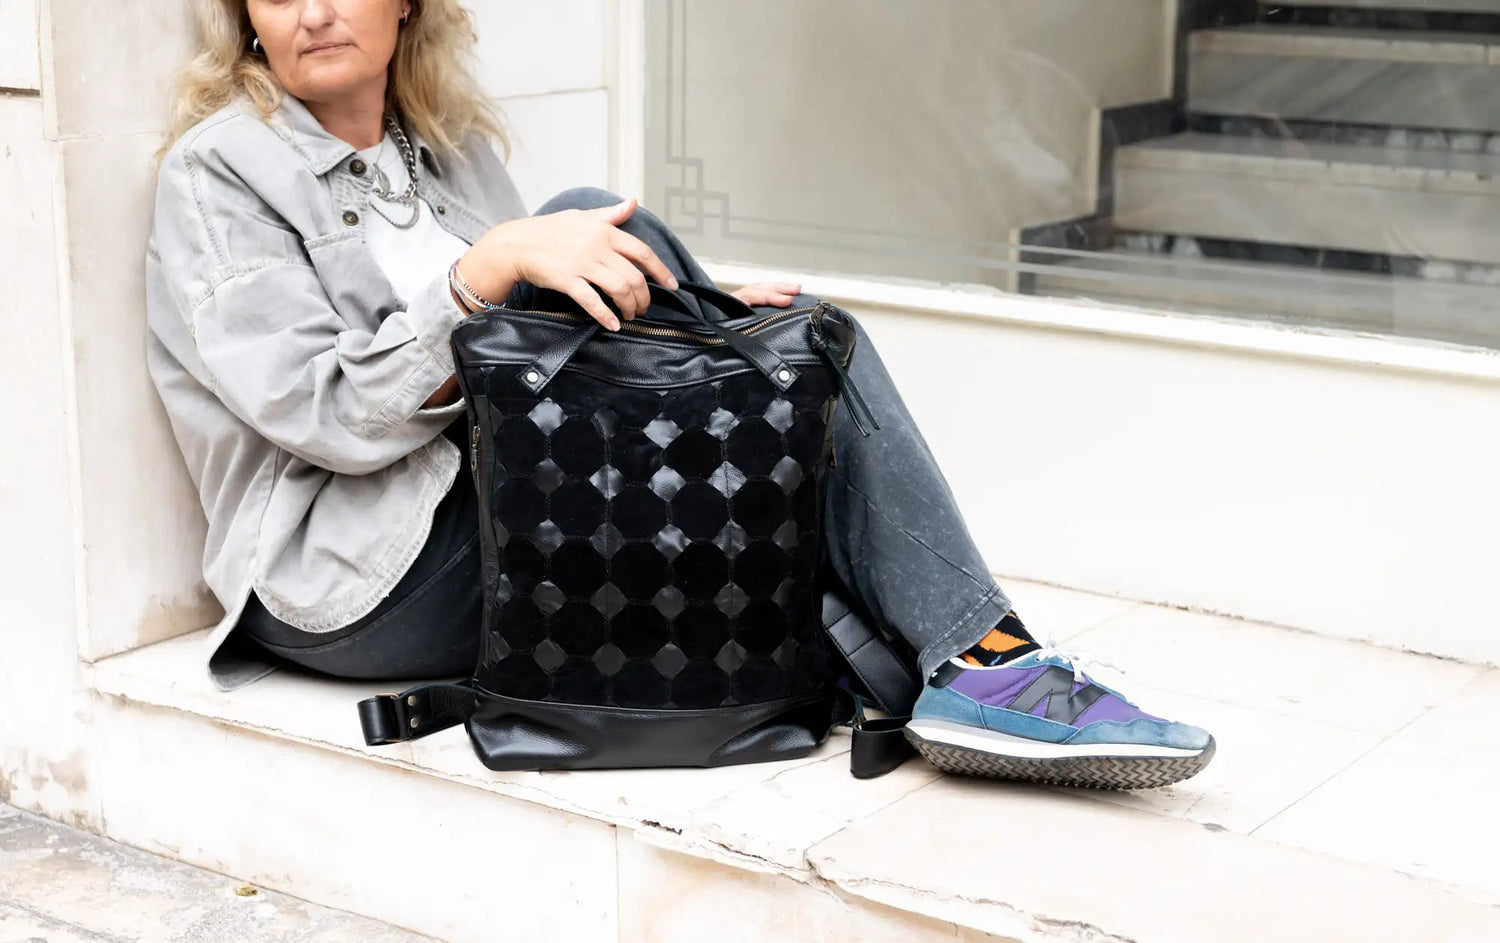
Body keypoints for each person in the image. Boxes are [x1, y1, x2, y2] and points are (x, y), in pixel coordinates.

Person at [145, 0, 1215, 789]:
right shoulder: (220, 175)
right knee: (620, 251)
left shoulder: (450, 153)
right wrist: (490, 269)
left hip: (492, 528)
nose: (316, 12)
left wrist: (693, 314)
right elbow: (323, 417)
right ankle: (980, 660)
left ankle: (964, 663)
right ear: (244, 18)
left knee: (785, 340)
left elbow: (541, 359)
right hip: (353, 581)